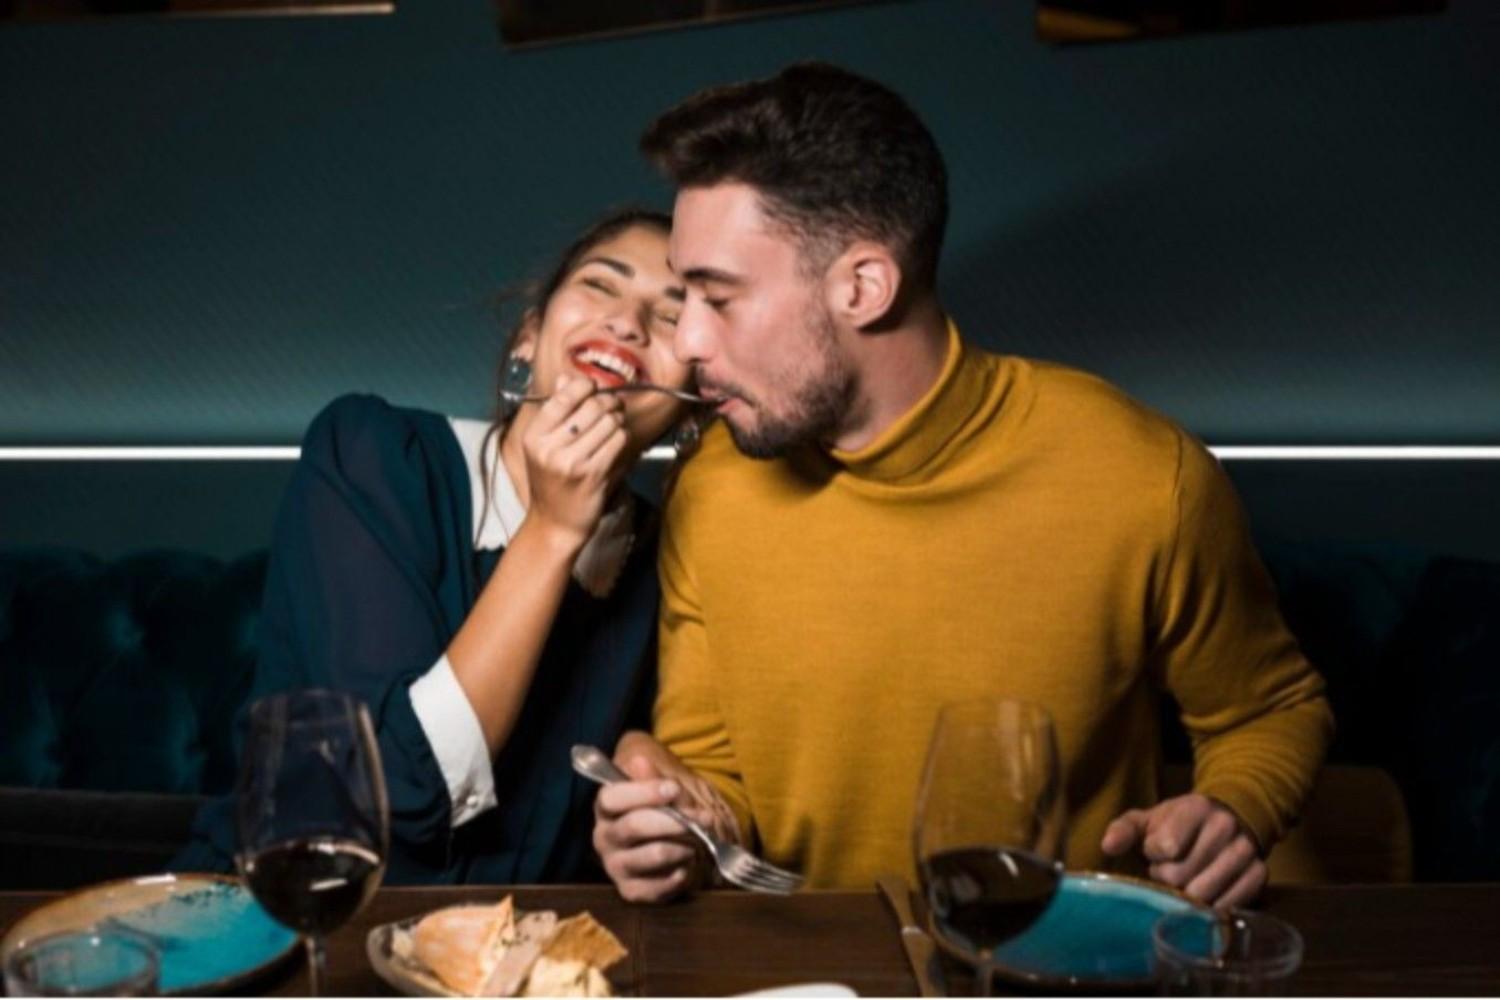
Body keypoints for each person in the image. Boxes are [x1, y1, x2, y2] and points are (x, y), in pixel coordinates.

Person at [592, 63, 1335, 908]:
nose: (685, 339)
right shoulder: (714, 485)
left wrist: (1239, 808)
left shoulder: (1141, 476)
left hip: (1065, 966)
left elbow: (1270, 709)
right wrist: (673, 827)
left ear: (863, 287)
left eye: (717, 298)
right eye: (684, 295)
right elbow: (717, 780)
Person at [176, 208, 702, 883]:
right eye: (601, 285)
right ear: (526, 340)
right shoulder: (370, 454)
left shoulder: (669, 559)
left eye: (670, 316)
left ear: (688, 406)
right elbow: (399, 790)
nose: (627, 322)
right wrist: (552, 531)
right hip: (283, 932)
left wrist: (647, 781)